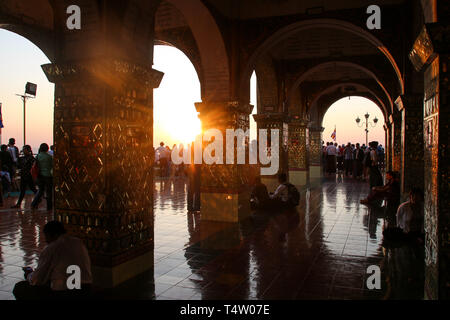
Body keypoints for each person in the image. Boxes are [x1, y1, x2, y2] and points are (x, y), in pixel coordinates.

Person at [13, 221, 92, 300]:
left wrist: (29, 275)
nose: (46, 240)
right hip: (85, 290)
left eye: (46, 236)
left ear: (53, 234)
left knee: (20, 288)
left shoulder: (52, 247)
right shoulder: (78, 242)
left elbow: (37, 280)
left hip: (65, 293)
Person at [31, 143, 53, 210]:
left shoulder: (38, 156)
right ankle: (49, 207)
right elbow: (52, 166)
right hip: (48, 175)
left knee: (40, 190)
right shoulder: (50, 157)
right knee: (49, 191)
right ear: (47, 148)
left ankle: (34, 204)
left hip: (40, 175)